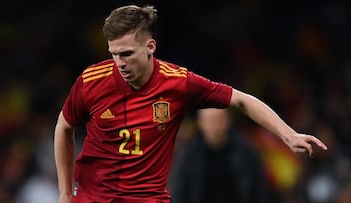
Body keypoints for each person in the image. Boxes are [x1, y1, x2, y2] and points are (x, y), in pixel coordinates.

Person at [54, 4, 328, 203]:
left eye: (127, 54)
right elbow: (64, 127)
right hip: (92, 198)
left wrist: (288, 135)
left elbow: (243, 101)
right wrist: (65, 193)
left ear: (150, 47)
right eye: (113, 54)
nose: (119, 63)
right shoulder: (91, 80)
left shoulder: (178, 83)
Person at [169, 108, 271, 203]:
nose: (215, 126)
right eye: (210, 120)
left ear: (228, 120)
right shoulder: (189, 156)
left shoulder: (246, 152)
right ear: (200, 123)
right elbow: (179, 192)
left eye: (219, 120)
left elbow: (260, 191)